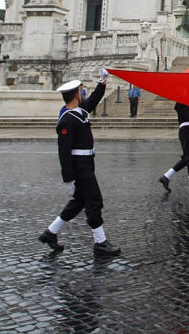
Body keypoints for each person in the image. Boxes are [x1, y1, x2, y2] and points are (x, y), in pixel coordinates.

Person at [38, 69, 121, 256]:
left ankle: (50, 233)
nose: (84, 94)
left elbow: (93, 101)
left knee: (79, 202)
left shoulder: (78, 111)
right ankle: (100, 242)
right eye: (81, 91)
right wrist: (68, 178)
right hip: (80, 165)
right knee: (95, 200)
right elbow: (64, 151)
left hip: (87, 162)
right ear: (76, 95)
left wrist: (102, 81)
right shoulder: (67, 120)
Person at [157, 102, 189, 195]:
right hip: (186, 131)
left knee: (187, 158)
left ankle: (166, 177)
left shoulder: (188, 103)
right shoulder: (181, 102)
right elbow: (177, 105)